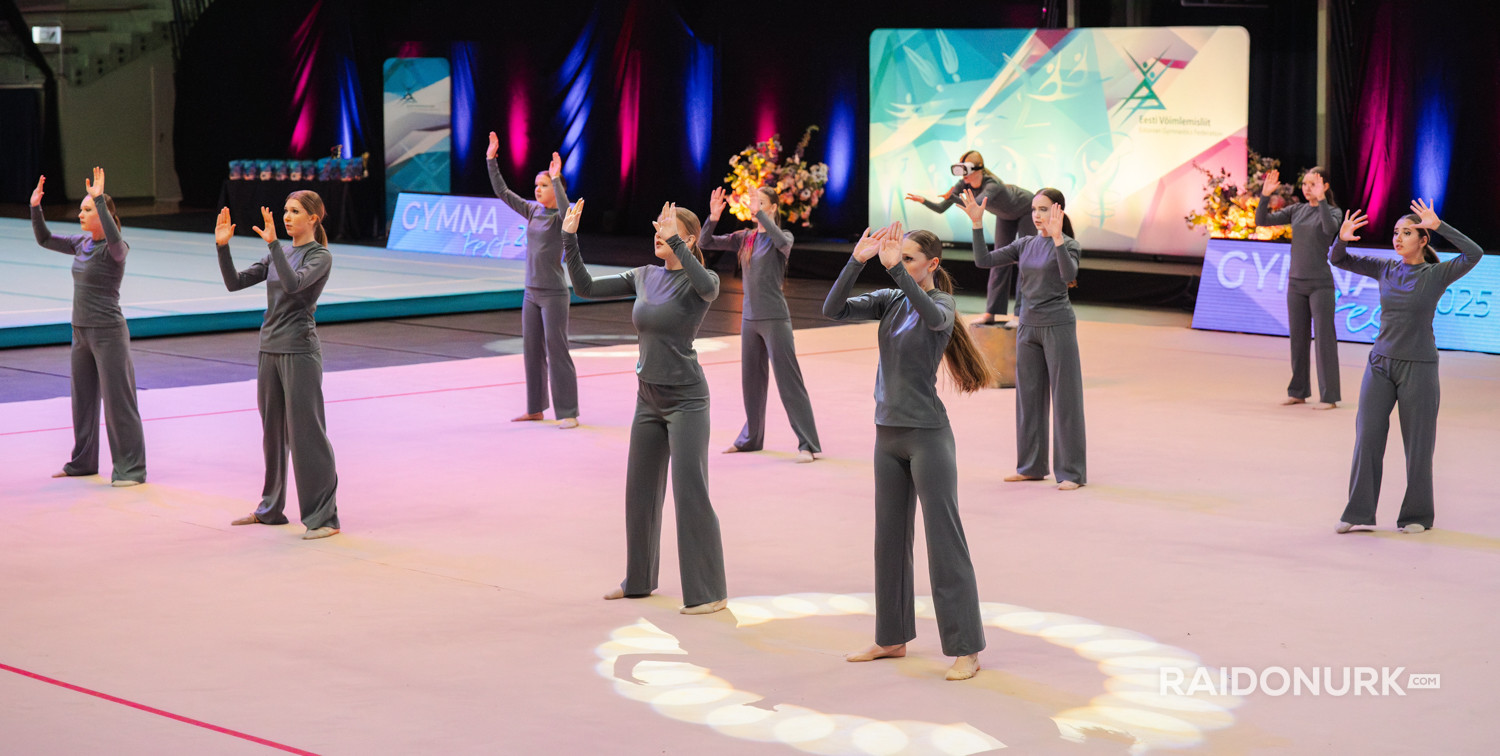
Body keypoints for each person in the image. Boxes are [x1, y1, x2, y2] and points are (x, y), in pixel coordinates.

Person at [823, 221, 992, 681]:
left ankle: (966, 648)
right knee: (889, 542)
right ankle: (891, 637)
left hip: (927, 437)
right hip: (887, 436)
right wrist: (856, 261)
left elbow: (933, 318)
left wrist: (896, 269)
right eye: (899, 257)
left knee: (944, 543)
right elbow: (832, 309)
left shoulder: (941, 304)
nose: (899, 263)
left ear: (931, 265)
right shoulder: (891, 299)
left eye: (909, 258)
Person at [562, 199, 727, 614]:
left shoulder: (700, 280)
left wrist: (678, 243)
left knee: (690, 493)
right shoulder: (645, 275)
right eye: (658, 228)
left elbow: (709, 289)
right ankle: (638, 580)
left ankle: (709, 593)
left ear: (690, 240)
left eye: (670, 230)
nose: (659, 234)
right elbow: (585, 288)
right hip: (647, 398)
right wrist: (569, 238)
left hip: (687, 400)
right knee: (639, 493)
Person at [1330, 200, 1482, 534]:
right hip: (1379, 364)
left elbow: (1474, 253)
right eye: (1396, 232)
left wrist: (1439, 226)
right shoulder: (1385, 268)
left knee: (1418, 446)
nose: (1398, 238)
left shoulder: (1436, 274)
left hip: (1419, 367)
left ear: (1423, 240)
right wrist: (1341, 238)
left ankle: (1417, 515)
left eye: (1407, 233)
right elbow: (1337, 259)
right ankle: (1358, 512)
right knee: (1367, 436)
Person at [215, 195, 342, 540]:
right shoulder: (279, 252)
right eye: (285, 211)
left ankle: (324, 517)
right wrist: (223, 248)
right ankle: (270, 508)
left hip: (299, 351)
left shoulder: (319, 256)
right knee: (272, 434)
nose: (287, 216)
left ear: (313, 218)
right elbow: (234, 282)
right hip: (269, 348)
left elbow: (293, 284)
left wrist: (273, 245)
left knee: (306, 435)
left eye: (295, 211)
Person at [30, 169, 147, 487]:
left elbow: (114, 239)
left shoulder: (116, 249)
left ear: (103, 214)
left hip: (108, 334)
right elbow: (44, 239)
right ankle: (82, 462)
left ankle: (131, 469)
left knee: (119, 403)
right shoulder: (81, 243)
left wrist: (99, 199)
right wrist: (35, 208)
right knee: (82, 401)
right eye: (81, 209)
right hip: (80, 332)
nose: (80, 214)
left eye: (87, 209)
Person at [965, 188, 1087, 490]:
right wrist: (977, 224)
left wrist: (1057, 239)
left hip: (1057, 326)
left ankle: (1071, 472)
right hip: (1027, 327)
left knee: (1066, 399)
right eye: (1034, 209)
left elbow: (1067, 274)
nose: (1036, 215)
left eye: (1043, 209)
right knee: (1028, 399)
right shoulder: (1025, 244)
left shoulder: (1069, 244)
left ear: (1058, 212)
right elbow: (983, 260)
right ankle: (1031, 466)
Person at [700, 185, 822, 462]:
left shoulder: (784, 237)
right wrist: (714, 217)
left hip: (775, 318)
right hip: (749, 319)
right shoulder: (745, 238)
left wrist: (761, 215)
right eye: (754, 203)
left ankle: (807, 443)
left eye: (762, 203)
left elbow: (780, 240)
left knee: (789, 382)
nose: (755, 208)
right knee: (751, 383)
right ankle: (751, 439)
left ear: (774, 208)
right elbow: (705, 242)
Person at [487, 133, 580, 429]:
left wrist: (556, 178)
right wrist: (491, 159)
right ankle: (535, 408)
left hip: (554, 295)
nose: (538, 190)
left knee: (557, 351)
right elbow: (503, 192)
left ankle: (568, 411)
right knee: (532, 352)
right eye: (537, 185)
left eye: (544, 185)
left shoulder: (563, 216)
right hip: (531, 294)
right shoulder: (532, 210)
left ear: (556, 189)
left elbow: (565, 210)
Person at [905, 150, 1036, 324]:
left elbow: (976, 205)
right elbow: (941, 208)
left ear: (978, 169)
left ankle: (1020, 314)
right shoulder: (963, 184)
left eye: (965, 170)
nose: (962, 175)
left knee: (1024, 261)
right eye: (960, 170)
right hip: (1005, 216)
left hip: (1026, 209)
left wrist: (953, 198)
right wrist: (923, 200)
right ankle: (991, 313)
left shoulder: (992, 185)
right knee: (998, 262)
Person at [1255, 167, 1343, 408]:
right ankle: (1298, 391)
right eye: (1304, 184)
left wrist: (1322, 201)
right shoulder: (1297, 210)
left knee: (1324, 340)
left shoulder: (1333, 211)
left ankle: (1329, 396)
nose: (1307, 188)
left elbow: (1329, 229)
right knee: (1298, 340)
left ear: (1325, 186)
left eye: (1313, 184)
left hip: (1320, 285)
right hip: (1295, 284)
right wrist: (1265, 195)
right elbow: (1262, 221)